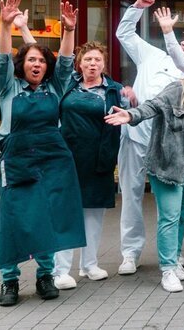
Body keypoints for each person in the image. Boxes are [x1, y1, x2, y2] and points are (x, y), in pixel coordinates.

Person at [0, 0, 84, 306]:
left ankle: (46, 275)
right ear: (24, 64)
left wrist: (69, 31)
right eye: (31, 59)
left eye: (42, 61)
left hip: (52, 160)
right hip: (16, 159)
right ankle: (9, 280)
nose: (37, 64)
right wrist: (5, 26)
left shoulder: (55, 88)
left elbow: (68, 63)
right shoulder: (8, 86)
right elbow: (3, 57)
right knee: (13, 219)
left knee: (48, 216)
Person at [106, 51, 184, 293]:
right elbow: (153, 106)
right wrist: (131, 115)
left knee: (182, 216)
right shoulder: (178, 89)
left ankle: (175, 258)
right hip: (168, 163)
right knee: (169, 216)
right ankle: (167, 269)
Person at [115, 0, 184, 276]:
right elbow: (124, 33)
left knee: (166, 203)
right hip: (134, 137)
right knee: (131, 196)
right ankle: (130, 253)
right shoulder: (152, 55)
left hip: (166, 145)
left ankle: (170, 254)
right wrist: (137, 8)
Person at [52, 41, 126, 290]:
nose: (92, 64)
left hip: (98, 160)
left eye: (97, 60)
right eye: (88, 60)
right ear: (79, 63)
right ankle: (60, 270)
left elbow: (129, 116)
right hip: (66, 158)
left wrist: (133, 98)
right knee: (65, 214)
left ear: (104, 64)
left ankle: (89, 265)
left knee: (94, 215)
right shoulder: (67, 84)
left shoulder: (114, 90)